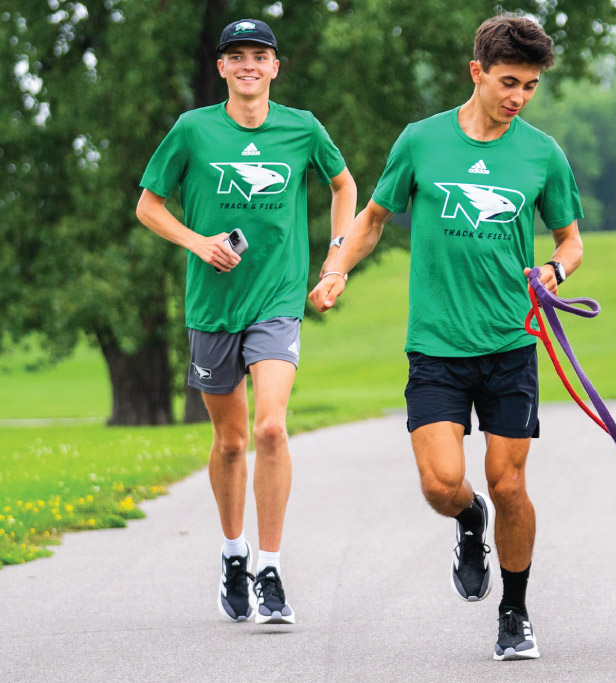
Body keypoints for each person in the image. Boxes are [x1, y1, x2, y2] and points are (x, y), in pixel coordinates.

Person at [309, 13, 583, 660]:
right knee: (441, 482)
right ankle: (468, 519)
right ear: (477, 72)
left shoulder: (542, 153)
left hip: (511, 344)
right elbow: (374, 218)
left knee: (510, 481)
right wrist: (335, 269)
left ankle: (514, 611)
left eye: (531, 86)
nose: (518, 96)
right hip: (436, 346)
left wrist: (555, 267)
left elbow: (571, 239)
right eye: (509, 81)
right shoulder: (421, 141)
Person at [136, 18, 356, 625]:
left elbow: (344, 184)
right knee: (231, 441)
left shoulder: (302, 128)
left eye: (260, 55)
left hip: (277, 299)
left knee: (269, 431)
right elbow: (148, 205)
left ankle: (270, 569)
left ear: (276, 67)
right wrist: (196, 242)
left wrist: (336, 255)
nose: (249, 65)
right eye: (237, 56)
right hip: (212, 305)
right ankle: (233, 553)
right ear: (223, 68)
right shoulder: (193, 130)